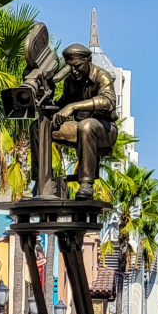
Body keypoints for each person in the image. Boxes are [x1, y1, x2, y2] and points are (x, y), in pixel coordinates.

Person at [51, 43, 117, 199]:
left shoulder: (102, 76)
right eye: (70, 67)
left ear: (89, 60)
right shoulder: (70, 81)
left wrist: (72, 107)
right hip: (79, 128)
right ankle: (42, 180)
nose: (74, 71)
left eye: (77, 66)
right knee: (41, 127)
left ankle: (86, 184)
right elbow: (62, 104)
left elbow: (108, 102)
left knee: (86, 126)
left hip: (105, 130)